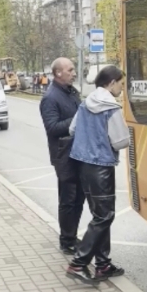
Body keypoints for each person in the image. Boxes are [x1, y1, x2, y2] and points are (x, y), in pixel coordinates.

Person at [65, 65, 130, 285]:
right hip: (101, 167)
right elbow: (121, 141)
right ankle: (78, 263)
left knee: (99, 215)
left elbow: (72, 130)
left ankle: (103, 265)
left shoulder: (86, 103)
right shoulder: (111, 107)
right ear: (111, 83)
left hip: (83, 165)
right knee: (104, 216)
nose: (122, 88)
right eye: (121, 84)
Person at [40, 58, 85, 255]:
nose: (74, 73)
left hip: (78, 152)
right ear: (58, 73)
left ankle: (72, 235)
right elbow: (52, 128)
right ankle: (67, 241)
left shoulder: (70, 92)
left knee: (79, 198)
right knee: (68, 199)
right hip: (64, 155)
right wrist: (78, 118)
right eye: (70, 70)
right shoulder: (50, 97)